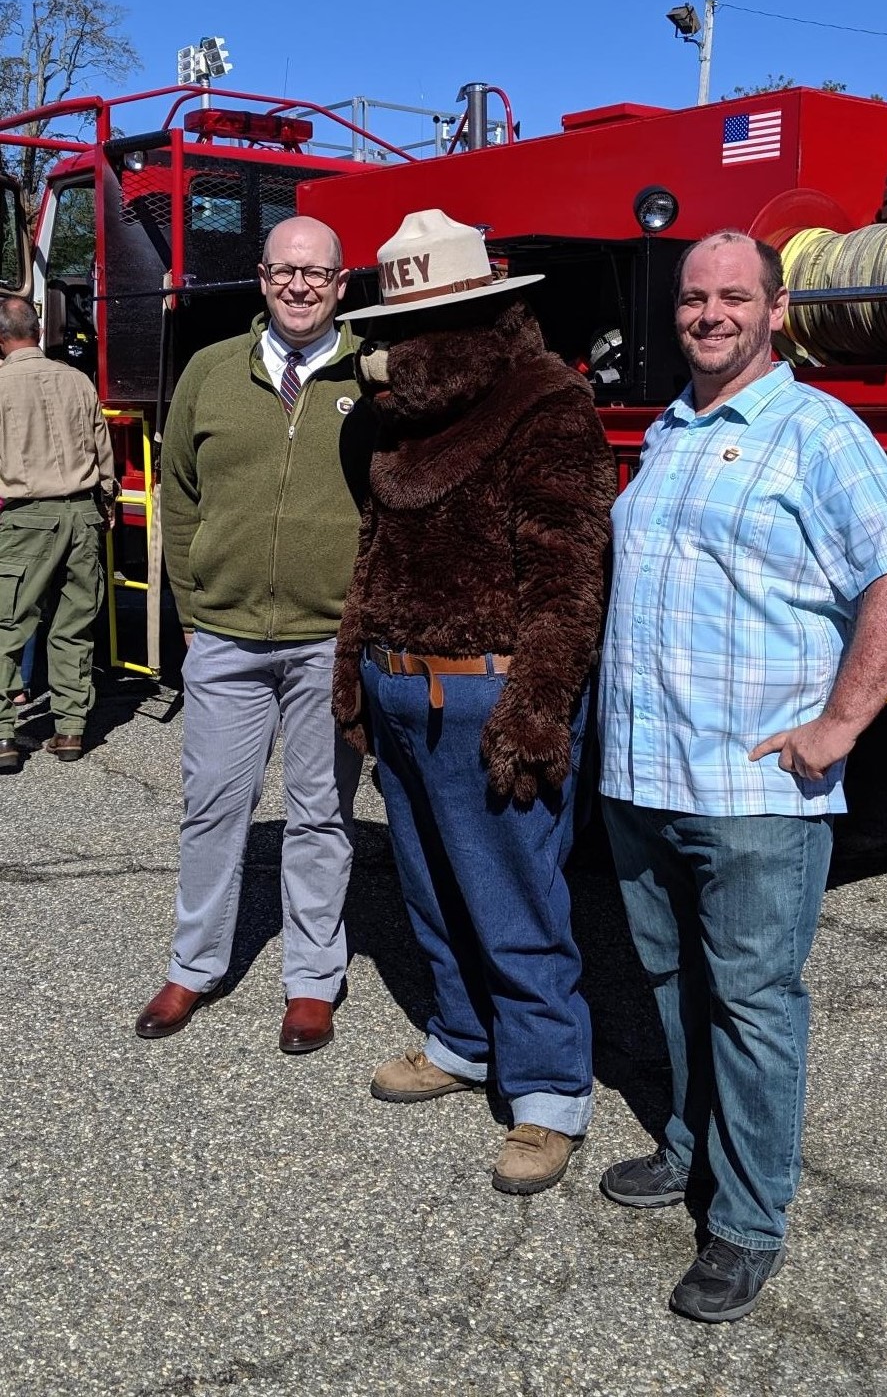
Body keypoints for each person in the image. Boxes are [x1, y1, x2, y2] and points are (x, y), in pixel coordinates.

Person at [597, 231, 887, 1321]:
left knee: (749, 1004)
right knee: (670, 983)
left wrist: (840, 723)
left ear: (775, 310)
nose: (707, 314)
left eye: (731, 297)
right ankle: (692, 1146)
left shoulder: (815, 433)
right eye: (693, 297)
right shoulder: (667, 428)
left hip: (751, 795)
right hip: (643, 778)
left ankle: (744, 1221)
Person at [333, 209, 617, 1193]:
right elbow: (375, 552)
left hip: (488, 694)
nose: (388, 350)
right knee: (427, 885)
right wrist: (353, 672)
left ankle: (546, 1092)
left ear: (477, 317)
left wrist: (538, 705)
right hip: (401, 684)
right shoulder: (401, 420)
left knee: (512, 896)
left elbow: (569, 575)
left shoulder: (547, 404)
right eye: (392, 324)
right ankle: (462, 1040)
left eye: (416, 324)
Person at [135, 216, 367, 1054]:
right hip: (227, 637)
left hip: (327, 638)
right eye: (283, 271)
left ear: (342, 284)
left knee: (319, 815)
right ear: (262, 279)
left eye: (317, 273)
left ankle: (311, 980)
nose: (299, 285)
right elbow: (181, 491)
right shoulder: (210, 371)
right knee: (212, 808)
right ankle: (193, 965)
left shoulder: (368, 375)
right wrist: (192, 610)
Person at [0, 297, 116, 773]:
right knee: (74, 625)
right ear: (37, 328)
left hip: (26, 517)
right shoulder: (77, 379)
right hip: (83, 514)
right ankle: (70, 728)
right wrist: (105, 503)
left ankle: (4, 736)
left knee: (8, 624)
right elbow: (100, 446)